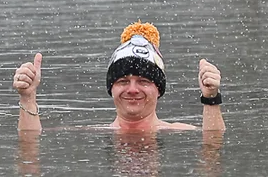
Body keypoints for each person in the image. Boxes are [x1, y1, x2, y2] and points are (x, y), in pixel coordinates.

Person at [12, 21, 224, 132]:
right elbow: (30, 141)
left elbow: (214, 146)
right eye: (123, 81)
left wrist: (211, 98)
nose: (132, 89)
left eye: (143, 81)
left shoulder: (180, 133)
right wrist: (28, 98)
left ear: (159, 89)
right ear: (111, 88)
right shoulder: (92, 133)